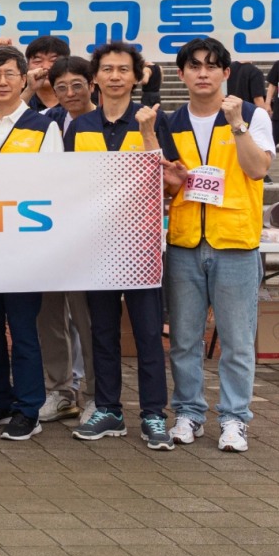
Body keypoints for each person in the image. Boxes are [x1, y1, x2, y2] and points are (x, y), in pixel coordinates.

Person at [162, 37, 274, 454]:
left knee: (237, 340)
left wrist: (238, 126)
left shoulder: (250, 115)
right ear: (182, 75)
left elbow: (258, 169)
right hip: (186, 242)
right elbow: (167, 185)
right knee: (185, 339)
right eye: (194, 66)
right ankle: (189, 413)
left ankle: (233, 419)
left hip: (235, 244)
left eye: (212, 66)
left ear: (227, 73)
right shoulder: (171, 122)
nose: (203, 73)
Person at [65, 40, 174, 449]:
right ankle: (109, 409)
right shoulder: (81, 127)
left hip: (142, 244)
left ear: (137, 76)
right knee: (103, 332)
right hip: (97, 245)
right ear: (95, 78)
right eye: (107, 69)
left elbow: (168, 180)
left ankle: (152, 415)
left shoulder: (154, 121)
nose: (114, 76)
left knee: (148, 333)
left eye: (123, 69)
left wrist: (147, 133)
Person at [0, 46, 59, 441]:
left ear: (25, 80)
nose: (2, 82)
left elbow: (54, 185)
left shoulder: (43, 127)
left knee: (22, 329)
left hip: (24, 247)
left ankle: (29, 407)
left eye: (9, 75)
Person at [37, 57, 98, 423]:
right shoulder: (45, 125)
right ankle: (59, 390)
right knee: (49, 317)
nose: (70, 93)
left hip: (87, 238)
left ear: (92, 84)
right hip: (46, 235)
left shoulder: (104, 124)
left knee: (87, 319)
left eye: (78, 84)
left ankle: (92, 393)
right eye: (62, 87)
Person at [23, 36, 71, 112]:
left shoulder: (77, 97)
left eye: (53, 61)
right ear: (27, 66)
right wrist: (30, 90)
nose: (46, 67)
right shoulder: (18, 95)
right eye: (38, 61)